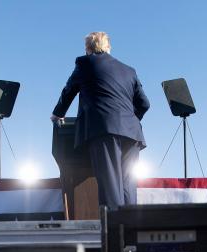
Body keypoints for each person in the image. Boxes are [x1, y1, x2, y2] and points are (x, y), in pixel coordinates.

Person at [51, 31, 150, 209]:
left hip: (104, 130)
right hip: (132, 133)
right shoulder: (129, 70)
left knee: (110, 185)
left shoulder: (84, 63)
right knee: (128, 186)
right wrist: (128, 120)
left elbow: (69, 90)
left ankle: (113, 232)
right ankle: (130, 230)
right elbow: (144, 104)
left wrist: (58, 113)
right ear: (108, 47)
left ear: (88, 49)